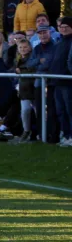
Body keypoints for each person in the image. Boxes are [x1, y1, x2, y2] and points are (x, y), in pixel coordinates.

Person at [48, 16, 72, 147]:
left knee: (69, 110)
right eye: (61, 27)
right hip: (57, 82)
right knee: (61, 111)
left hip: (68, 82)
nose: (63, 29)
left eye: (66, 27)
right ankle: (67, 135)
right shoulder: (58, 43)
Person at [15, 39, 36, 143]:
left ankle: (41, 132)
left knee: (38, 112)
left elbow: (33, 68)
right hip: (23, 89)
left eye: (25, 47)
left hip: (34, 88)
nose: (23, 49)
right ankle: (26, 131)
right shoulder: (18, 59)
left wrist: (21, 70)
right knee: (25, 111)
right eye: (20, 47)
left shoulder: (33, 57)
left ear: (30, 48)